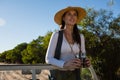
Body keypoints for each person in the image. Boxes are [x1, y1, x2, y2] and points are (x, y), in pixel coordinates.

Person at [45, 6, 91, 80]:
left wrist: (86, 62)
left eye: (75, 14)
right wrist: (64, 64)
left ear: (76, 18)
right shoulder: (56, 35)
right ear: (63, 18)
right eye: (69, 14)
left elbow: (83, 55)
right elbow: (48, 58)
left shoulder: (81, 37)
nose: (72, 17)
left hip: (76, 75)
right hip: (59, 75)